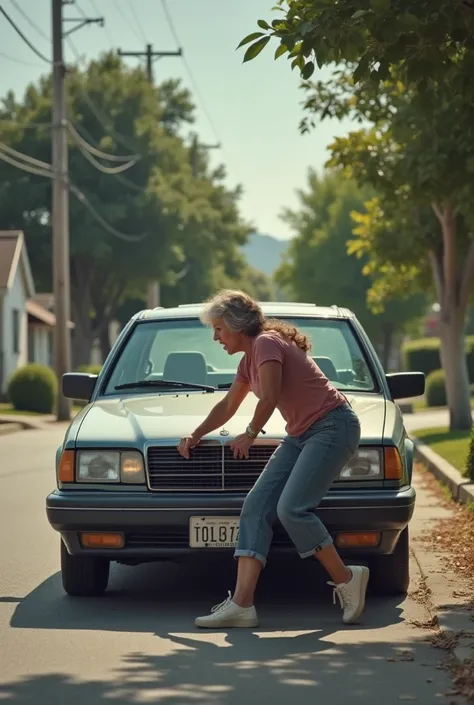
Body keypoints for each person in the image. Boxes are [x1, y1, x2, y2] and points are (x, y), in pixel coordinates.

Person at [177, 290, 368, 629]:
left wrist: (251, 433)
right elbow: (227, 406)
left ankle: (346, 578)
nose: (216, 337)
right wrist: (196, 434)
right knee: (256, 507)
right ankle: (242, 605)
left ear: (236, 326)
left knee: (292, 509)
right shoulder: (248, 358)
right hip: (302, 434)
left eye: (219, 329)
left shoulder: (266, 343)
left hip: (332, 426)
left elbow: (272, 394)